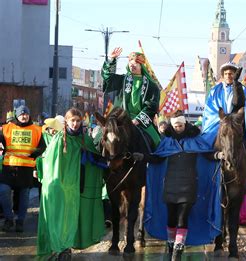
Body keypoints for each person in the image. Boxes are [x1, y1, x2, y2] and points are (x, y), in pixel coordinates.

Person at [143, 111, 221, 260]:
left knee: (182, 218)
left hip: (189, 185)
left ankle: (178, 250)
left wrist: (218, 155)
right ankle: (172, 244)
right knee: (171, 218)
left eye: (180, 125)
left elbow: (206, 154)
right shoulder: (167, 141)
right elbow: (158, 158)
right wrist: (142, 157)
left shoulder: (195, 140)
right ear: (172, 126)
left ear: (185, 124)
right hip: (170, 185)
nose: (178, 128)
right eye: (176, 126)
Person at [37, 108, 105, 259]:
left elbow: (96, 161)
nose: (75, 124)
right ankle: (58, 247)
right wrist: (53, 184)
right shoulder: (59, 139)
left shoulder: (85, 140)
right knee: (58, 217)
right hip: (59, 188)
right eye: (72, 120)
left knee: (72, 218)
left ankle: (66, 246)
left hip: (77, 188)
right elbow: (49, 162)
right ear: (66, 122)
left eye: (78, 121)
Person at [201, 62, 246, 220]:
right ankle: (204, 180)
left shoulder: (242, 89)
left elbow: (240, 104)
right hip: (219, 123)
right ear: (222, 76)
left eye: (232, 73)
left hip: (236, 123)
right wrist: (221, 119)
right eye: (227, 74)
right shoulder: (215, 90)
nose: (229, 76)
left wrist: (236, 85)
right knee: (204, 146)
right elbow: (210, 110)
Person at [101, 47, 161, 149]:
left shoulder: (152, 86)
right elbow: (107, 77)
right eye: (130, 63)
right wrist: (111, 60)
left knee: (157, 142)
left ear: (141, 65)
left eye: (135, 63)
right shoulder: (122, 80)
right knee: (99, 137)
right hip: (120, 119)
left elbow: (152, 106)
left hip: (141, 121)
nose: (132, 65)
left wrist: (137, 120)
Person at [0, 105, 45, 233]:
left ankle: (20, 221)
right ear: (17, 116)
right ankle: (9, 219)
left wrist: (32, 153)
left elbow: (43, 147)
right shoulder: (7, 128)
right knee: (3, 191)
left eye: (26, 114)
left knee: (24, 196)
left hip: (26, 169)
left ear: (29, 115)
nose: (24, 116)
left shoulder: (36, 130)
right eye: (21, 114)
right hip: (9, 167)